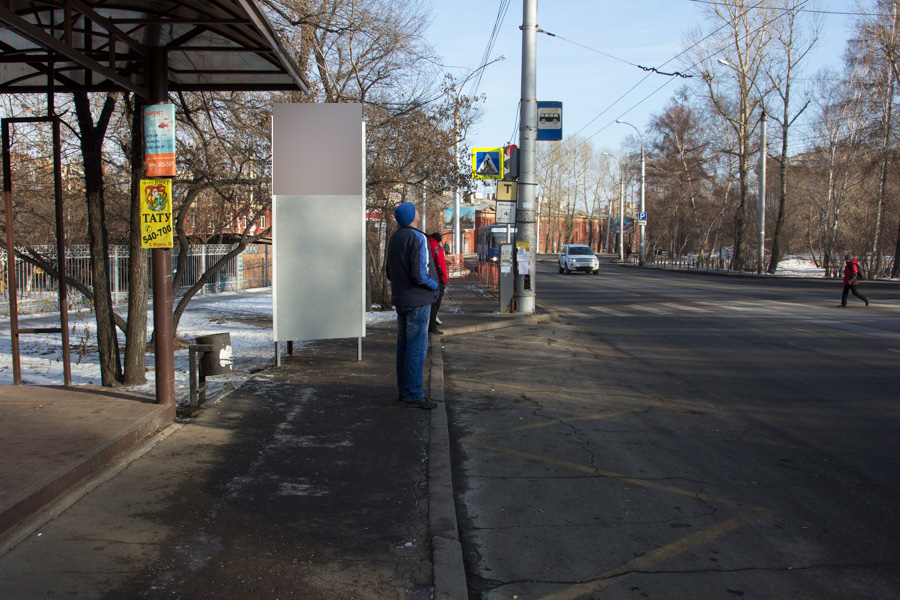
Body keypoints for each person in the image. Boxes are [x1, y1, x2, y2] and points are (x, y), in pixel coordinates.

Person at [385, 202, 439, 409]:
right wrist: (435, 287)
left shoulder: (395, 237)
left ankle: (404, 391)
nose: (418, 212)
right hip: (418, 301)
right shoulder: (417, 237)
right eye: (415, 210)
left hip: (401, 300)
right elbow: (421, 274)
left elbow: (389, 272)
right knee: (417, 349)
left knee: (405, 347)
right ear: (411, 216)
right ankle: (414, 394)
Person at [427, 232, 448, 335]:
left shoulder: (426, 245)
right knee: (435, 306)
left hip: (428, 279)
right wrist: (443, 280)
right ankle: (432, 327)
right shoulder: (436, 249)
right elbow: (440, 266)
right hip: (437, 281)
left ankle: (428, 326)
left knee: (429, 305)